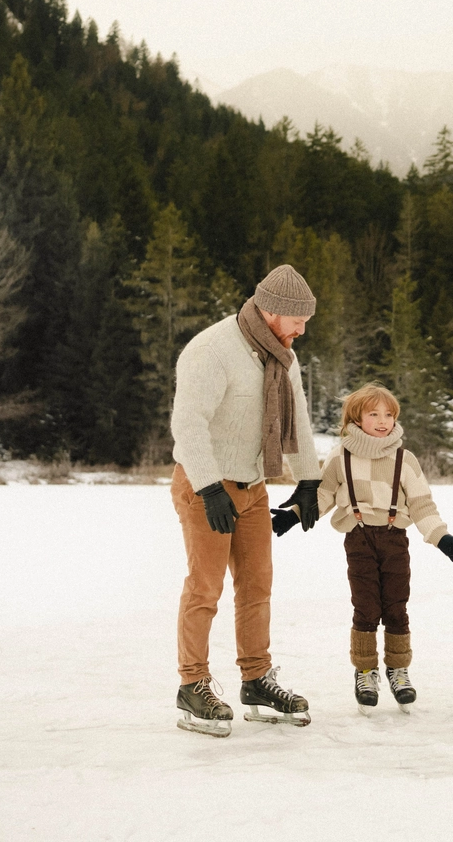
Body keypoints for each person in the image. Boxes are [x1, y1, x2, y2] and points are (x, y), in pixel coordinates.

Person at [168, 264, 323, 735]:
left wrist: (309, 482)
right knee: (205, 588)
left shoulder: (283, 356)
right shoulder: (212, 351)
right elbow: (188, 424)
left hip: (253, 488)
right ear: (272, 311)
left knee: (256, 586)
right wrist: (209, 486)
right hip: (205, 487)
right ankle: (192, 684)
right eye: (298, 320)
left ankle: (256, 677)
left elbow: (298, 420)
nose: (303, 330)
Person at [275, 383, 453, 715]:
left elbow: (422, 504)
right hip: (359, 538)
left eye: (389, 414)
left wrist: (441, 537)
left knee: (396, 606)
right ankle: (365, 670)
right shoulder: (341, 457)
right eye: (374, 414)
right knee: (366, 607)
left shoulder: (404, 459)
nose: (383, 421)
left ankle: (398, 670)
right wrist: (295, 515)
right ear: (356, 418)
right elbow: (322, 495)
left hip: (395, 538)